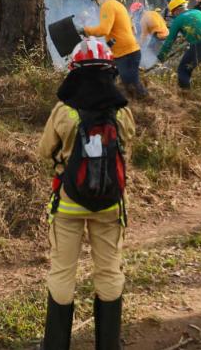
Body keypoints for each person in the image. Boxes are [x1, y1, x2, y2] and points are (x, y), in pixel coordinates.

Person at [37, 37, 136, 350]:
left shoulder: (64, 112)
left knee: (62, 273)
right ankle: (108, 344)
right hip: (110, 206)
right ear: (110, 71)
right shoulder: (121, 113)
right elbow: (126, 149)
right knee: (109, 271)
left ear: (74, 72)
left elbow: (45, 151)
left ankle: (56, 345)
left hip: (68, 206)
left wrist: (64, 164)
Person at [81, 0, 148, 99]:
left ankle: (148, 103)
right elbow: (125, 30)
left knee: (131, 84)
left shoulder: (107, 6)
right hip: (129, 51)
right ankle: (139, 102)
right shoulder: (117, 4)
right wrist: (110, 45)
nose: (94, 1)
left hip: (126, 53)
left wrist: (85, 30)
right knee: (128, 83)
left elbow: (104, 30)